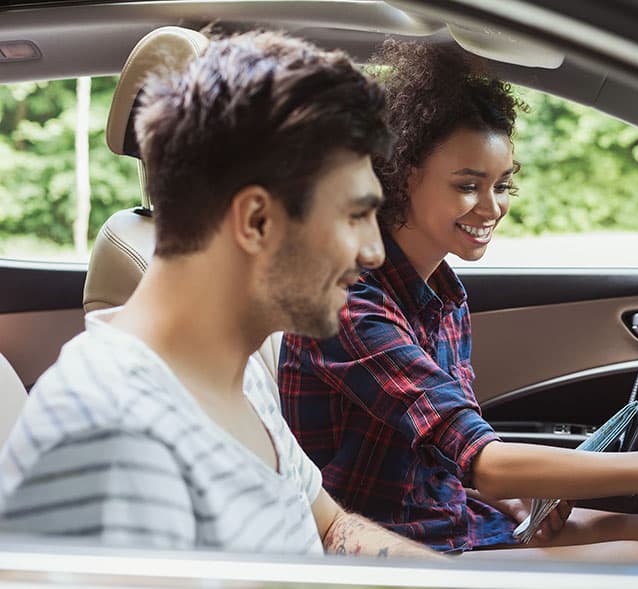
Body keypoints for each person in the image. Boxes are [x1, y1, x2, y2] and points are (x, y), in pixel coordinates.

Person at [278, 40, 638, 561]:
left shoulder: (441, 293)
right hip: (397, 547)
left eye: (503, 185)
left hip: (455, 516)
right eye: (468, 185)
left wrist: (513, 497)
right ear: (399, 178)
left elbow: (451, 450)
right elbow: (482, 459)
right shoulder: (350, 305)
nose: (492, 207)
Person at [0, 31, 440, 560]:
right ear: (256, 220)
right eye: (355, 216)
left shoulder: (232, 370)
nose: (374, 251)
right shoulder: (116, 443)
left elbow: (331, 529)